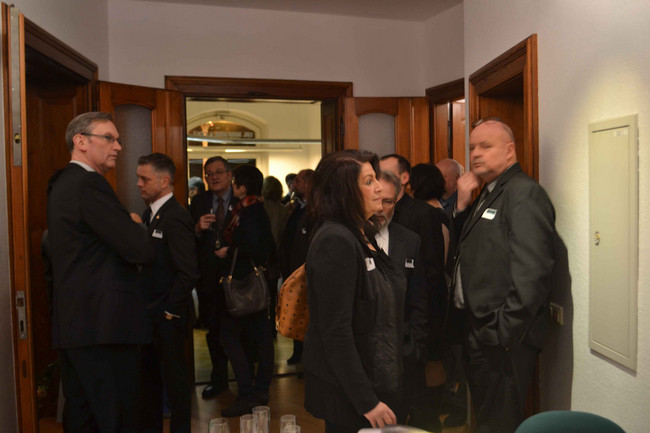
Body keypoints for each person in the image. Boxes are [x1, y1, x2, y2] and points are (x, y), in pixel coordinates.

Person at [46, 112, 154, 433]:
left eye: (118, 139)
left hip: (79, 325)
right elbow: (140, 249)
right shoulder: (88, 184)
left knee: (85, 417)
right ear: (80, 141)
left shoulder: (62, 184)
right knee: (115, 417)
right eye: (109, 138)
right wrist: (135, 224)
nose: (118, 146)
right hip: (103, 326)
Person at [453, 119, 556, 433]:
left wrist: (502, 331)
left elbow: (533, 271)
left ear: (510, 151)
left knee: (498, 423)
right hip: (480, 329)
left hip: (501, 337)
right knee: (488, 419)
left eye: (486, 146)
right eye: (472, 147)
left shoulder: (523, 192)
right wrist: (462, 206)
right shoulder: (489, 191)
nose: (475, 154)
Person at [304, 150, 406, 433]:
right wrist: (367, 402)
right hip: (350, 394)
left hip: (376, 379)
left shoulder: (362, 232)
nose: (379, 188)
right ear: (344, 192)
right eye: (369, 181)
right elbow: (335, 333)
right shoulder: (335, 240)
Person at [136, 153, 199, 433]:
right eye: (138, 178)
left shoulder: (175, 216)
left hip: (167, 317)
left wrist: (169, 312)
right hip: (150, 315)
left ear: (164, 181)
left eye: (144, 179)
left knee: (175, 385)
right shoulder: (150, 214)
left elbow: (188, 272)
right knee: (150, 383)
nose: (139, 184)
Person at [215, 165, 275, 417]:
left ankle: (248, 393)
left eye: (235, 183)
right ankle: (259, 391)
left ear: (242, 187)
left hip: (244, 284)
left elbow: (253, 245)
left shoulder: (250, 211)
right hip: (251, 283)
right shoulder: (252, 208)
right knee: (261, 338)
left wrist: (227, 251)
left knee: (229, 337)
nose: (232, 186)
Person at [410, 163, 466, 430]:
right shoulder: (437, 212)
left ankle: (431, 416)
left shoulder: (433, 215)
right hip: (437, 297)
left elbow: (437, 266)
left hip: (435, 299)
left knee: (433, 358)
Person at [374, 170, 429, 425]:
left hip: (402, 353)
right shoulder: (351, 238)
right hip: (364, 357)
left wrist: (415, 347)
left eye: (388, 201)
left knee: (396, 421)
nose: (381, 208)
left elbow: (420, 299)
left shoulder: (410, 240)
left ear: (396, 201)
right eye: (376, 200)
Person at [189, 156, 237, 399]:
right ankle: (218, 378)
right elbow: (186, 239)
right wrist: (197, 229)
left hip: (237, 278)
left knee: (239, 331)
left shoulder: (242, 200)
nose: (214, 177)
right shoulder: (199, 202)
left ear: (229, 175)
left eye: (219, 172)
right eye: (209, 174)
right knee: (214, 331)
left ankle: (245, 380)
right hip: (208, 278)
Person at [279, 168, 314, 364]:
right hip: (292, 269)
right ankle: (298, 351)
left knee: (306, 314)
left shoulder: (315, 210)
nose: (294, 185)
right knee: (295, 311)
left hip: (305, 271)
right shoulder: (296, 208)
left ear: (309, 184)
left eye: (299, 181)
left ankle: (306, 355)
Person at [261, 176, 290, 336]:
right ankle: (272, 327)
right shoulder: (284, 210)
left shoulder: (259, 208)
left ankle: (261, 329)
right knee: (273, 295)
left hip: (260, 259)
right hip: (276, 259)